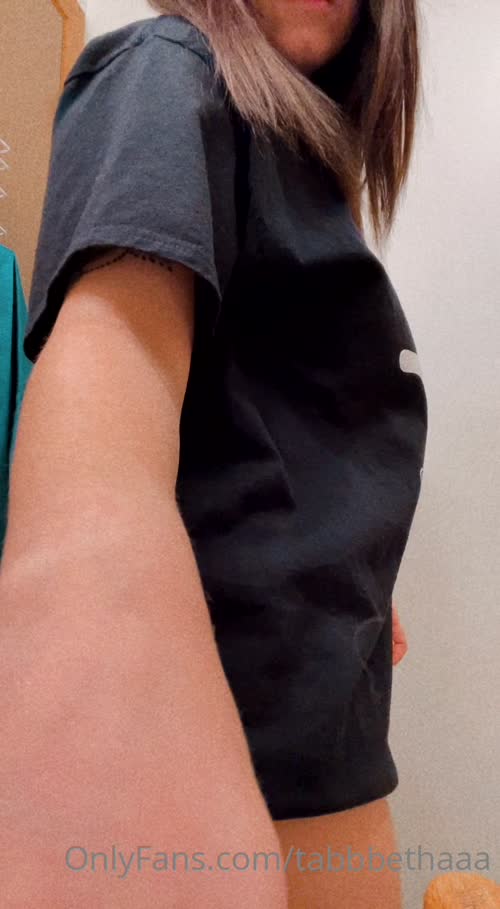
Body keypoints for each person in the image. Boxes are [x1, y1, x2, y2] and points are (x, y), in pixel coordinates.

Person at [0, 0, 428, 906]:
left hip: (330, 737)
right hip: (229, 749)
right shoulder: (168, 68)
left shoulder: (308, 170)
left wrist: (351, 573)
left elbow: (282, 436)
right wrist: (86, 682)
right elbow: (113, 379)